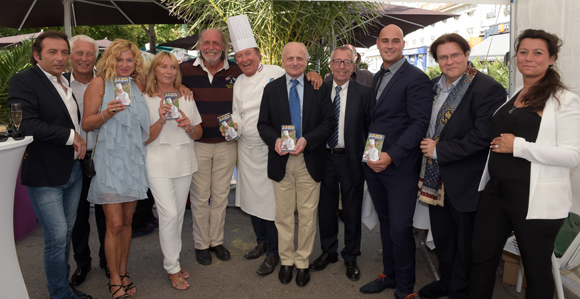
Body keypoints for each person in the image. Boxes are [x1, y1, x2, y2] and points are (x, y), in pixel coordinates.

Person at [470, 29, 580, 299]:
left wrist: (518, 146)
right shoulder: (517, 93)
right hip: (497, 194)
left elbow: (572, 156)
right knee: (481, 259)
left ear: (552, 58)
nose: (529, 58)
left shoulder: (565, 100)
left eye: (538, 52)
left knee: (537, 271)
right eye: (523, 52)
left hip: (535, 201)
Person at [226, 14, 323, 276]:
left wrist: (314, 73)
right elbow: (237, 114)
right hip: (248, 149)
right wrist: (231, 126)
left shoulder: (276, 72)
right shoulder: (237, 83)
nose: (244, 59)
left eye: (248, 54)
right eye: (239, 56)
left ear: (258, 54)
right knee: (251, 200)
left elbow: (299, 76)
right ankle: (262, 244)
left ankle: (274, 253)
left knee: (274, 206)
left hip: (276, 151)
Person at [416, 33, 506, 299]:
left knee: (466, 243)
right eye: (443, 57)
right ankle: (447, 281)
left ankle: (460, 290)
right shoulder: (434, 87)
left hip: (466, 181)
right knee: (444, 238)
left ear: (467, 54)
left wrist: (439, 150)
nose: (449, 61)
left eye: (455, 54)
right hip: (436, 180)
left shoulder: (487, 88)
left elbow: (482, 136)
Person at [7, 30, 91, 299]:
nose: (60, 57)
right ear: (37, 55)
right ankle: (60, 295)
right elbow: (27, 123)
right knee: (56, 239)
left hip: (73, 171)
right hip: (45, 174)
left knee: (65, 234)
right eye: (52, 52)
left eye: (64, 52)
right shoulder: (23, 81)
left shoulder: (63, 82)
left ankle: (63, 288)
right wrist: (72, 137)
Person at [360, 25, 432, 299]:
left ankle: (405, 289)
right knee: (387, 222)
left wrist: (392, 155)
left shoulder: (416, 78)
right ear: (377, 44)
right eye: (384, 41)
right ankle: (389, 275)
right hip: (375, 165)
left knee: (401, 228)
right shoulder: (379, 76)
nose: (389, 45)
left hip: (399, 166)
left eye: (395, 41)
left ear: (403, 44)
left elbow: (418, 124)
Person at [257, 42, 335, 287]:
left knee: (308, 215)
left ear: (306, 61)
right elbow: (263, 124)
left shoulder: (318, 87)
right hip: (281, 161)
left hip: (309, 159)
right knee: (283, 216)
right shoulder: (271, 89)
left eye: (299, 58)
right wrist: (275, 141)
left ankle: (302, 263)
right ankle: (287, 260)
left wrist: (307, 140)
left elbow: (328, 122)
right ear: (283, 60)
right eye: (290, 58)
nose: (294, 62)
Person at [82, 39, 149, 299]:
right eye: (119, 59)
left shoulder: (136, 86)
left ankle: (122, 271)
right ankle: (113, 279)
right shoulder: (98, 84)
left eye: (129, 60)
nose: (124, 64)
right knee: (115, 223)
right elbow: (87, 124)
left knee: (129, 221)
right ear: (110, 59)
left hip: (133, 162)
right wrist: (108, 112)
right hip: (109, 163)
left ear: (135, 63)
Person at [309, 45, 372, 281]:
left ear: (353, 66)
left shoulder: (365, 93)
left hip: (351, 159)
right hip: (324, 158)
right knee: (325, 210)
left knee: (352, 210)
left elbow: (370, 128)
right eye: (337, 61)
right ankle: (328, 252)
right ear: (330, 65)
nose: (342, 66)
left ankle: (351, 256)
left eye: (347, 62)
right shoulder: (318, 89)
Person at [180, 28, 241, 265]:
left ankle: (216, 241)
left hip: (227, 144)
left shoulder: (236, 70)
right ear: (200, 45)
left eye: (216, 43)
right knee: (200, 196)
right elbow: (161, 83)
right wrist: (179, 87)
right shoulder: (184, 69)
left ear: (223, 46)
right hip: (198, 143)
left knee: (221, 197)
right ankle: (201, 244)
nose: (211, 47)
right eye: (206, 43)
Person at [143, 51, 203, 291]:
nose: (168, 71)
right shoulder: (144, 98)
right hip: (156, 162)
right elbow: (145, 139)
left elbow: (198, 133)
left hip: (184, 160)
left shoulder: (186, 96)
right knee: (168, 214)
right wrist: (159, 120)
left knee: (178, 215)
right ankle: (172, 267)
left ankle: (174, 261)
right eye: (163, 67)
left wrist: (188, 126)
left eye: (172, 67)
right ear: (154, 71)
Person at [65, 34, 109, 286]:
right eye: (78, 53)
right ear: (70, 56)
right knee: (78, 216)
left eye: (89, 53)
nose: (84, 58)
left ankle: (107, 258)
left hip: (103, 155)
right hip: (73, 159)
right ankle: (83, 263)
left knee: (106, 212)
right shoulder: (60, 85)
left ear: (96, 56)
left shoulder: (107, 83)